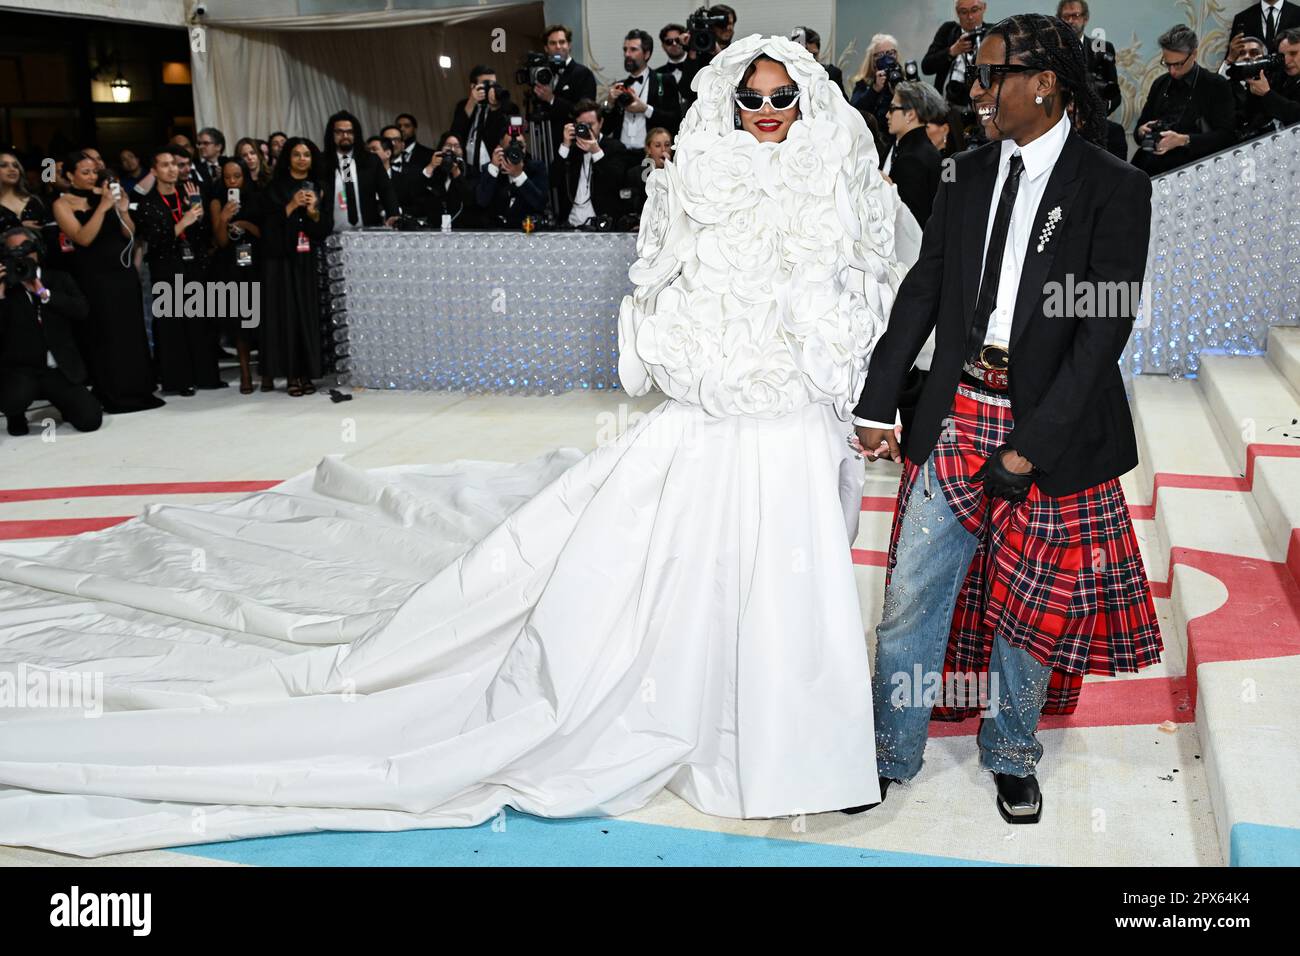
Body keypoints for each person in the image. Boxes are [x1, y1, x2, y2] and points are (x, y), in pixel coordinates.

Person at [0, 35, 920, 856]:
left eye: (779, 98)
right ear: (728, 103)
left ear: (806, 100)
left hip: (796, 415)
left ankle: (796, 745)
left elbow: (875, 292)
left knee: (793, 578)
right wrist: (708, 359)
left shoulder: (841, 179)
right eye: (749, 99)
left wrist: (839, 378)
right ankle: (699, 722)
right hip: (717, 412)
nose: (764, 114)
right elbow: (659, 297)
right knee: (697, 571)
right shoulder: (695, 180)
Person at [851, 14, 1161, 824]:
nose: (977, 91)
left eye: (992, 76)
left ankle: (1013, 755)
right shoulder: (964, 173)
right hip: (956, 417)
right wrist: (878, 396)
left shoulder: (1115, 187)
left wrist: (1032, 446)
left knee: (1029, 613)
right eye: (978, 76)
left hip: (1050, 433)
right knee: (914, 594)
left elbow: (1102, 333)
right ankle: (889, 753)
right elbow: (926, 285)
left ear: (1045, 84)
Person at [52, 152, 163, 414]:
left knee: (130, 332)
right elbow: (82, 238)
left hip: (121, 273)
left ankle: (138, 389)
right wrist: (102, 207)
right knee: (105, 334)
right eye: (85, 172)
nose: (92, 176)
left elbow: (129, 234)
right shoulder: (62, 204)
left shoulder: (106, 195)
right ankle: (113, 393)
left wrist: (122, 209)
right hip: (94, 276)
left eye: (94, 171)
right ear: (70, 175)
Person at [134, 145, 222, 396]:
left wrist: (200, 216)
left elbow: (202, 235)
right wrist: (183, 221)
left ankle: (206, 376)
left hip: (192, 263)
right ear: (154, 171)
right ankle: (179, 381)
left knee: (199, 321)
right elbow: (155, 240)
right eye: (165, 164)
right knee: (172, 325)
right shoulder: (148, 203)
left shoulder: (189, 192)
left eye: (175, 164)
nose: (172, 169)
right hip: (166, 267)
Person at [0, 226, 102, 436]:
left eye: (25, 249)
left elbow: (81, 311)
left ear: (37, 250)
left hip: (59, 369)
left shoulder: (58, 279)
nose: (21, 256)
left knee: (90, 420)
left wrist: (44, 294)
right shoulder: (7, 290)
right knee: (12, 404)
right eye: (14, 252)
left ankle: (65, 404)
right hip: (23, 371)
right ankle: (15, 414)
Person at [260, 137, 328, 396]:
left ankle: (307, 373)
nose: (302, 159)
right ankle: (290, 374)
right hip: (280, 262)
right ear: (288, 157)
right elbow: (266, 227)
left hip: (306, 259)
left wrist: (313, 213)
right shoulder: (275, 188)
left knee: (306, 316)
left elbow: (323, 228)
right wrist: (290, 206)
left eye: (307, 155)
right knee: (286, 317)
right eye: (297, 154)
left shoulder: (319, 187)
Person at [1132, 24, 1236, 175]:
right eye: (1167, 64)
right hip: (1149, 166)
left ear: (1194, 54)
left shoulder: (1215, 85)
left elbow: (1227, 137)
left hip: (1193, 169)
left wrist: (1184, 140)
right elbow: (1138, 131)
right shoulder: (1160, 83)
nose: (1172, 71)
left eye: (1178, 64)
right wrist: (1142, 131)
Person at [208, 157, 264, 394]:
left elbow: (266, 233)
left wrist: (244, 224)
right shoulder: (216, 201)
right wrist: (223, 218)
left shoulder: (257, 196)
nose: (232, 181)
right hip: (230, 264)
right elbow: (220, 241)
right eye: (227, 177)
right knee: (240, 319)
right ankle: (244, 373)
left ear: (245, 175)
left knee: (262, 315)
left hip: (257, 261)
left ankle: (267, 370)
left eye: (236, 176)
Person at [319, 111, 399, 231]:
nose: (345, 136)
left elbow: (386, 190)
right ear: (331, 134)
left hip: (367, 231)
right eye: (339, 132)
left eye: (350, 132)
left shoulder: (371, 160)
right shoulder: (321, 162)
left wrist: (394, 215)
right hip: (331, 231)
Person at [882, 81, 945, 225]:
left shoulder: (911, 159)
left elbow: (909, 223)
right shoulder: (924, 150)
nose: (887, 115)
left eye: (892, 108)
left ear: (910, 114)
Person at [0, 151, 46, 234]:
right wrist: (18, 227)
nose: (12, 169)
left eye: (15, 166)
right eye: (4, 165)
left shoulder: (34, 201)